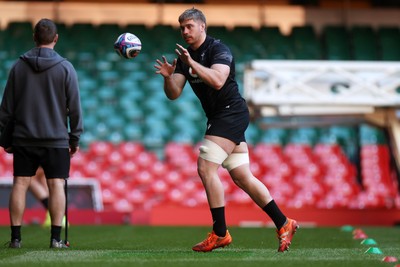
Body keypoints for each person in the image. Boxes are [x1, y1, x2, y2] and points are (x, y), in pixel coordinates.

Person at [155, 8, 298, 252]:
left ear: (202, 26)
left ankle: (220, 233)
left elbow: (218, 80)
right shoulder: (185, 57)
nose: (185, 31)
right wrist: (169, 77)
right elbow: (174, 94)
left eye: (189, 26)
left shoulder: (218, 50)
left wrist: (192, 65)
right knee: (242, 176)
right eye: (182, 28)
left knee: (205, 167)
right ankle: (284, 222)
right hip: (220, 116)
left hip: (231, 112)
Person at [0, 18, 83, 249]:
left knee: (20, 183)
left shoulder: (18, 66)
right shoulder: (66, 67)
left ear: (34, 38)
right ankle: (56, 239)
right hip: (56, 139)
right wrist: (74, 138)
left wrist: (4, 138)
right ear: (56, 39)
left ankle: (16, 238)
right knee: (56, 184)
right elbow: (75, 108)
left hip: (24, 137)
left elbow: (6, 108)